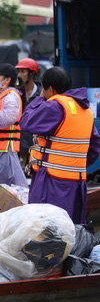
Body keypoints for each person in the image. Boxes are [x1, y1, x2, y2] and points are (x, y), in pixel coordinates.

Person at [20, 67, 100, 224]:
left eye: (42, 88)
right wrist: (73, 164)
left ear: (50, 89)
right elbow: (95, 146)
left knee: (44, 230)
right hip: (75, 183)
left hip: (51, 181)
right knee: (70, 230)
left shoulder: (55, 106)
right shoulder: (84, 109)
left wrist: (39, 99)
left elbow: (26, 122)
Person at [15, 58, 42, 169]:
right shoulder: (15, 94)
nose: (19, 75)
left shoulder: (41, 94)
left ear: (32, 73)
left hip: (36, 146)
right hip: (18, 145)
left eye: (23, 72)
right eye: (18, 71)